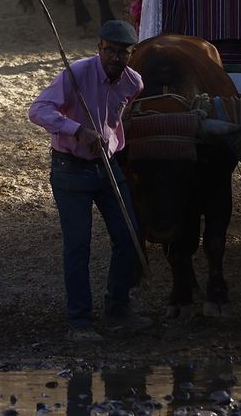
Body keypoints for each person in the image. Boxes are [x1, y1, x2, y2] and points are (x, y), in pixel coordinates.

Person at [27, 20, 148, 340]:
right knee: (78, 245)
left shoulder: (133, 82)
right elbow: (38, 110)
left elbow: (118, 119)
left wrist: (109, 139)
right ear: (99, 48)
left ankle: (117, 308)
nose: (115, 58)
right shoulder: (76, 74)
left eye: (123, 52)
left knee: (129, 235)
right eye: (110, 50)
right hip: (70, 168)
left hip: (108, 166)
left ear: (131, 54)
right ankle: (79, 321)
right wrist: (78, 130)